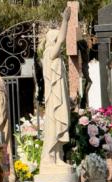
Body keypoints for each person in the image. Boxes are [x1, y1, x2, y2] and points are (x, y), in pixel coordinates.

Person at [40, 6, 72, 171]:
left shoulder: (58, 57)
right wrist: (65, 21)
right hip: (53, 99)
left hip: (60, 96)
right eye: (55, 37)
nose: (58, 39)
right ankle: (50, 157)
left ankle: (59, 156)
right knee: (54, 126)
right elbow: (61, 40)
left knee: (60, 126)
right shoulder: (49, 53)